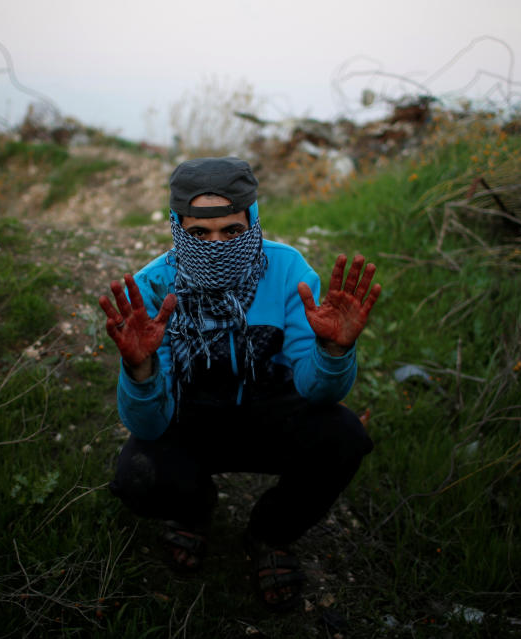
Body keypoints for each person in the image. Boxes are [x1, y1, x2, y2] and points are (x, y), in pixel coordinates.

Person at [98, 156, 381, 611]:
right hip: (188, 421)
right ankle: (193, 510)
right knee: (138, 474)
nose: (216, 245)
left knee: (344, 436)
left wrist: (332, 351)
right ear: (178, 226)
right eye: (199, 234)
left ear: (252, 221)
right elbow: (148, 425)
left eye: (231, 231)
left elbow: (319, 392)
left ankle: (270, 533)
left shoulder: (288, 271)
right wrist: (141, 369)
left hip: (271, 413)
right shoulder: (153, 287)